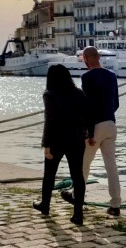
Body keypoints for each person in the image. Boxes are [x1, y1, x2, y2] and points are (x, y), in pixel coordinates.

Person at [62, 46, 121, 216]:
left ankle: (76, 197)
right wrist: (107, 116)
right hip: (110, 123)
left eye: (83, 58)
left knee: (83, 164)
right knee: (111, 166)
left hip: (95, 126)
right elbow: (115, 103)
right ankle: (115, 205)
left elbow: (87, 106)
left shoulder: (86, 77)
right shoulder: (112, 76)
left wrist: (90, 132)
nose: (83, 62)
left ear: (87, 58)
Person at [34, 63, 87, 226]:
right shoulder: (79, 93)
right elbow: (86, 116)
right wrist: (85, 134)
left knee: (49, 174)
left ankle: (45, 205)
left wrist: (46, 144)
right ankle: (78, 213)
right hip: (76, 139)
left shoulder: (50, 94)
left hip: (57, 139)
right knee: (77, 176)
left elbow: (49, 120)